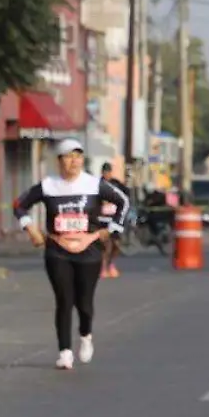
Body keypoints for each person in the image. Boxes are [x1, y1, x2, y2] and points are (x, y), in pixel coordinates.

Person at [14, 139, 128, 370]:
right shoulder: (48, 186)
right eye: (68, 156)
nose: (73, 161)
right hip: (58, 250)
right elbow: (19, 205)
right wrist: (30, 227)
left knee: (84, 303)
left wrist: (112, 230)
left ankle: (85, 335)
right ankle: (64, 351)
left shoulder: (94, 184)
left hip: (89, 250)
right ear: (59, 161)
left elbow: (123, 202)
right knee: (64, 301)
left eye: (78, 156)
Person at [97, 162, 132, 279]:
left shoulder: (116, 184)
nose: (106, 174)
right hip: (102, 219)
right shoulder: (97, 184)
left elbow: (126, 196)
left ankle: (111, 263)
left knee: (116, 245)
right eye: (104, 172)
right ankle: (103, 267)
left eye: (108, 172)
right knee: (105, 245)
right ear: (102, 172)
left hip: (115, 219)